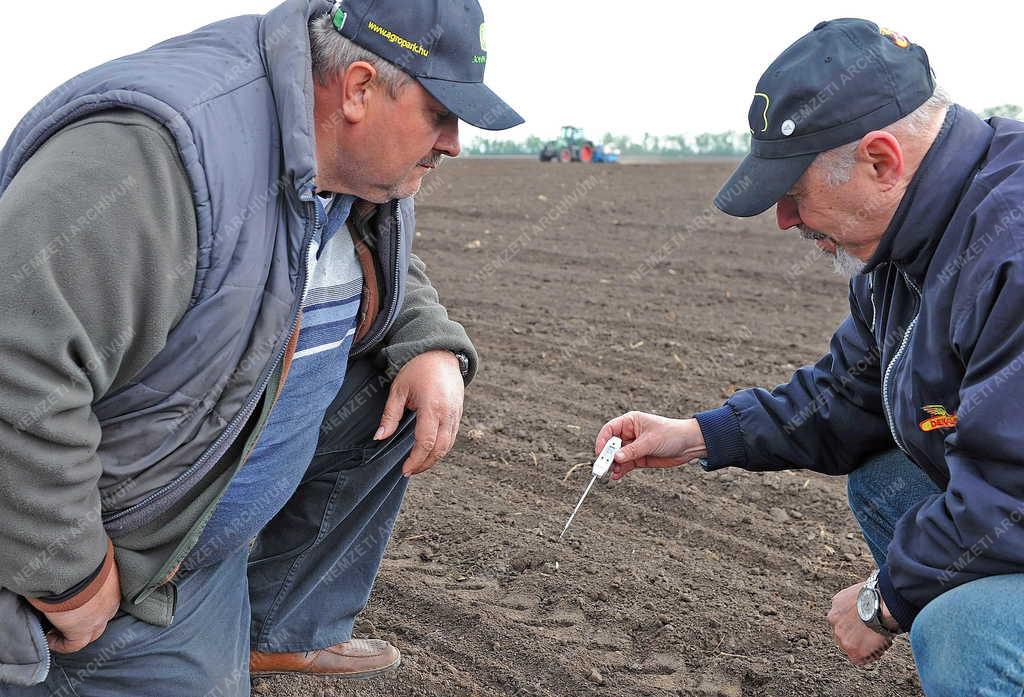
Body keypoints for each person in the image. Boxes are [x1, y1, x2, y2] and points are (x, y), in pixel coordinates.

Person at [0, 0, 522, 694]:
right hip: (85, 579)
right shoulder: (155, 159)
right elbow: (16, 365)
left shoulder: (352, 166)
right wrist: (70, 576)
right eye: (439, 113)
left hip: (187, 562)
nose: (453, 141)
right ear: (360, 88)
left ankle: (271, 627)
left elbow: (347, 255)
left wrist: (426, 342)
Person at [597, 19, 1024, 696]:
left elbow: (1011, 497)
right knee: (885, 480)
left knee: (965, 632)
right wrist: (699, 436)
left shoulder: (1009, 247)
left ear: (881, 161)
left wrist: (882, 601)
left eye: (795, 193)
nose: (786, 220)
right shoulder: (908, 242)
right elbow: (847, 394)